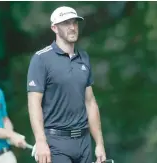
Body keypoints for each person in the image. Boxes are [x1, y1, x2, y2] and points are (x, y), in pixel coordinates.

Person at [27, 6, 106, 163]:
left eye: (74, 23)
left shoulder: (84, 57)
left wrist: (99, 144)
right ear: (54, 28)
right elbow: (34, 103)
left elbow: (90, 102)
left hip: (83, 142)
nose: (72, 27)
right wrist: (41, 142)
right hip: (56, 142)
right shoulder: (41, 59)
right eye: (66, 23)